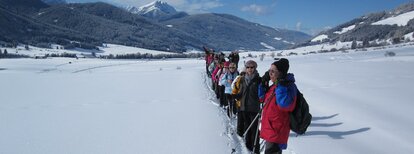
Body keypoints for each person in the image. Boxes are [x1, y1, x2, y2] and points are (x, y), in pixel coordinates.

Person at [260, 58, 297, 154]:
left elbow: (285, 105)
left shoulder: (288, 86)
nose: (270, 74)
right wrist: (262, 83)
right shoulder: (275, 85)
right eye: (269, 71)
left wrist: (281, 86)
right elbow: (261, 98)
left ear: (280, 73)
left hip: (277, 131)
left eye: (273, 71)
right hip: (270, 128)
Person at [233, 60, 261, 153]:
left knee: (254, 130)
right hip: (244, 107)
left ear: (255, 68)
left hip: (254, 108)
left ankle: (255, 149)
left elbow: (261, 95)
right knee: (247, 128)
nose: (249, 69)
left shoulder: (258, 80)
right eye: (248, 67)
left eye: (252, 67)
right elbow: (241, 93)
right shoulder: (242, 79)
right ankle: (248, 146)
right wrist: (234, 96)